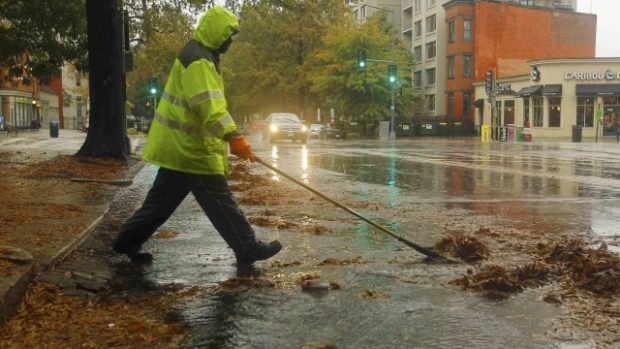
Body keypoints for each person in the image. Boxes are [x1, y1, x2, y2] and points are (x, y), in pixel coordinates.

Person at [112, 7, 282, 267]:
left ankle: (126, 241)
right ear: (217, 33)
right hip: (191, 150)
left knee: (160, 203)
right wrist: (233, 136)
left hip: (181, 148)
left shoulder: (201, 56)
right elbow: (208, 105)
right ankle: (247, 248)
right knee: (220, 201)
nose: (231, 41)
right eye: (229, 36)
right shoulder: (199, 60)